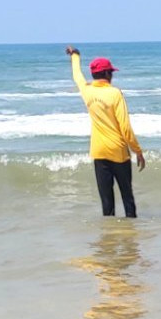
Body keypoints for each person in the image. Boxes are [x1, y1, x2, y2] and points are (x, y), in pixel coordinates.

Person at [66, 46, 146, 217]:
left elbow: (77, 76)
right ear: (108, 74)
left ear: (94, 75)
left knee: (106, 202)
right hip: (118, 153)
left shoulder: (87, 91)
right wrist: (137, 151)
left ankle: (109, 240)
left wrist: (75, 56)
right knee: (127, 198)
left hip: (99, 152)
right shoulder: (115, 93)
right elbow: (125, 127)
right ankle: (130, 237)